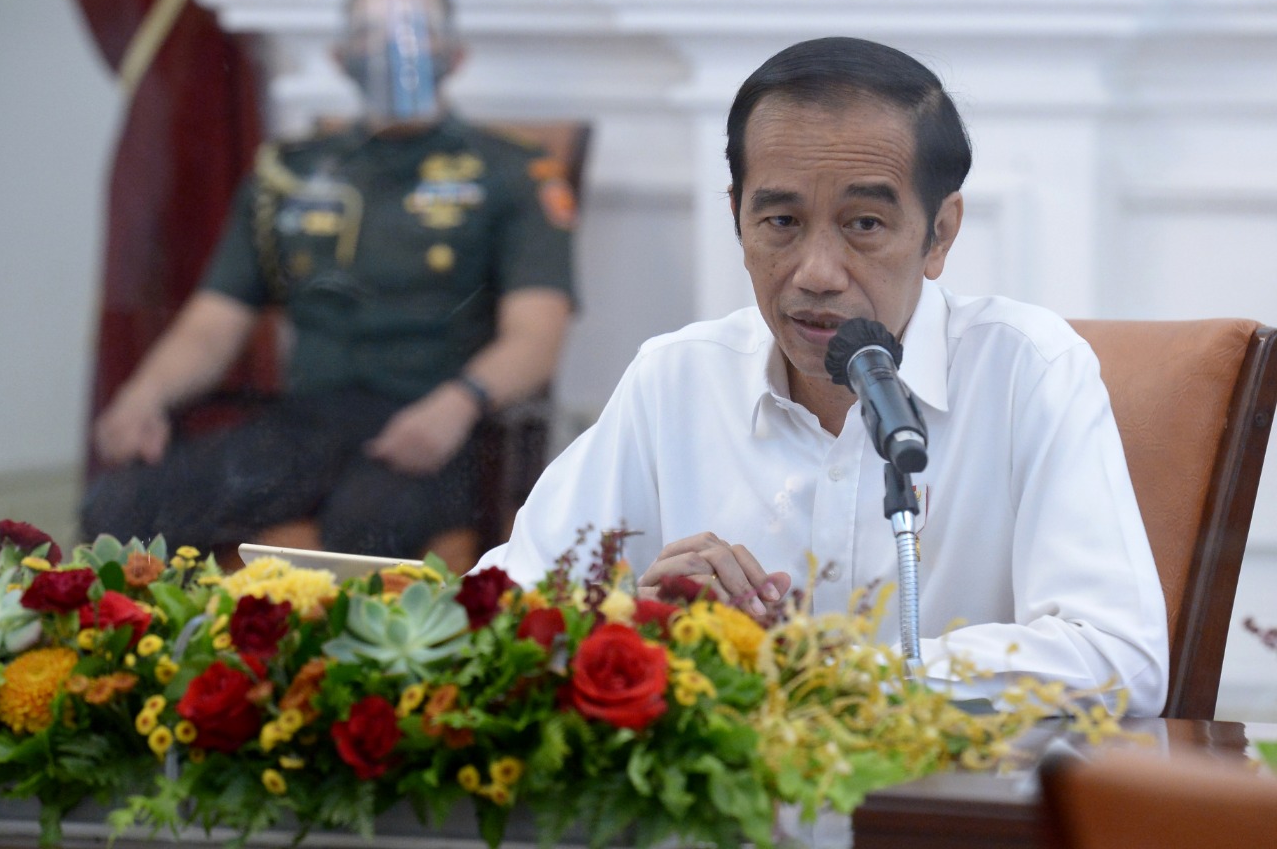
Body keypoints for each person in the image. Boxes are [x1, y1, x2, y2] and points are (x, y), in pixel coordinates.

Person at [475, 36, 1169, 717]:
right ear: (737, 218)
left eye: (864, 224)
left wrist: (819, 670)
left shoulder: (1028, 370)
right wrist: (650, 625)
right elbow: (505, 601)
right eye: (779, 220)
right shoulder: (677, 378)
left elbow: (1119, 656)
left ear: (941, 233)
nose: (816, 274)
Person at [83, 0, 576, 569]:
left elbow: (537, 337)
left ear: (455, 54)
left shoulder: (512, 172)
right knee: (122, 503)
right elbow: (214, 322)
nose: (395, 50)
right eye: (372, 34)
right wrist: (143, 394)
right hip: (304, 425)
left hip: (438, 425)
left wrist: (457, 404)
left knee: (369, 523)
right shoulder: (289, 173)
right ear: (341, 58)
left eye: (415, 31)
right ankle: (171, 660)